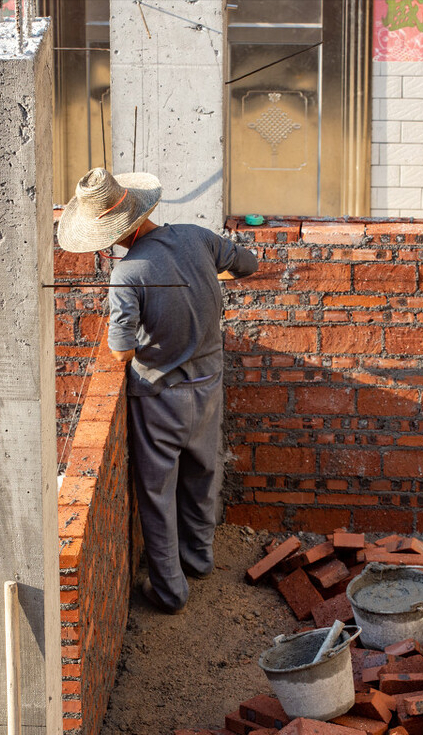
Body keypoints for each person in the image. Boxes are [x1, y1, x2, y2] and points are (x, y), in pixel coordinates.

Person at [58, 167, 259, 613]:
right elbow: (247, 264)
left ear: (111, 233)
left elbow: (121, 350)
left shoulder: (127, 274)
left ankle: (170, 590)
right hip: (208, 386)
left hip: (160, 398)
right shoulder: (198, 237)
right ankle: (199, 558)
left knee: (157, 491)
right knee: (204, 473)